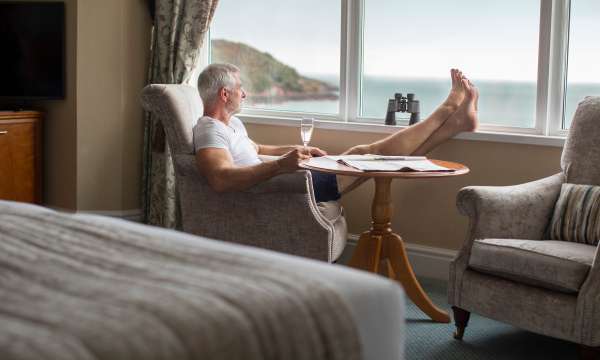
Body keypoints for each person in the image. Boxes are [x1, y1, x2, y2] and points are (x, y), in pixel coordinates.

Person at [194, 63, 478, 202]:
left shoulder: (231, 125)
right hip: (283, 191)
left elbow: (256, 150)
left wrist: (294, 151)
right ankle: (448, 108)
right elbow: (220, 179)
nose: (245, 93)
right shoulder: (209, 131)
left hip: (288, 179)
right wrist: (282, 166)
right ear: (224, 93)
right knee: (368, 155)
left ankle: (454, 125)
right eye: (240, 88)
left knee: (375, 160)